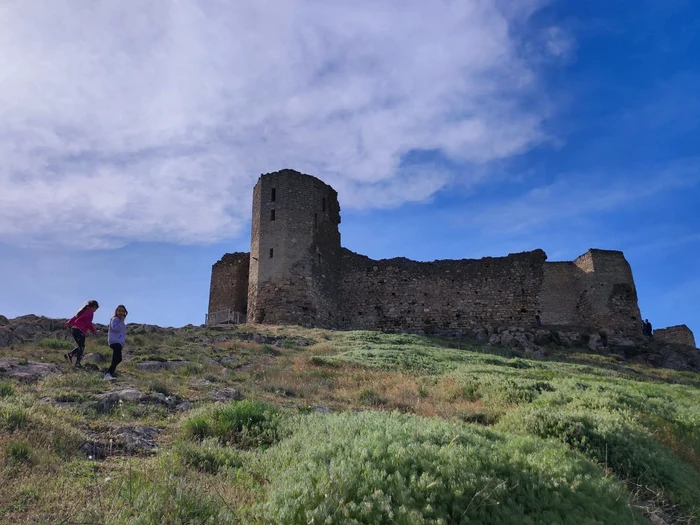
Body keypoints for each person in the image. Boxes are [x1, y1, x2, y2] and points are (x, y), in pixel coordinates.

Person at [64, 300, 99, 368]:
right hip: (80, 330)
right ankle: (77, 363)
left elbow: (75, 317)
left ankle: (70, 355)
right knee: (81, 347)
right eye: (96, 309)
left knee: (81, 346)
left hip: (74, 329)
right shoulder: (90, 312)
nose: (95, 310)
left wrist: (68, 322)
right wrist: (94, 331)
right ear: (94, 307)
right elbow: (88, 323)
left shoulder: (83, 310)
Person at [105, 305, 128, 381]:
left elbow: (122, 334)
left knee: (117, 359)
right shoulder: (114, 319)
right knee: (117, 358)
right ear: (116, 312)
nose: (121, 312)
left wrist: (122, 344)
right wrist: (121, 321)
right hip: (114, 341)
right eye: (119, 311)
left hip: (119, 343)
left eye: (122, 311)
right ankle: (108, 373)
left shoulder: (122, 322)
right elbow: (115, 329)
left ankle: (109, 374)